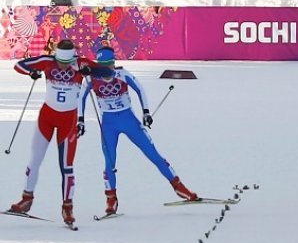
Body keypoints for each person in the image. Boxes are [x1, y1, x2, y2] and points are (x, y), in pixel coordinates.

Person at [78, 47, 197, 215]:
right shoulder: (91, 77)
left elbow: (140, 89)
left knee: (153, 154)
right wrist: (80, 121)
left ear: (113, 63)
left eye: (109, 64)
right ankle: (111, 199)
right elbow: (80, 98)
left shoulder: (122, 74)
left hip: (129, 121)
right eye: (102, 64)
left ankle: (178, 186)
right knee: (109, 162)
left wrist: (146, 112)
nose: (106, 69)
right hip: (108, 124)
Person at [9, 40, 93, 225]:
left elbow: (107, 72)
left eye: (67, 62)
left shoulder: (81, 63)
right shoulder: (48, 60)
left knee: (67, 167)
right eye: (60, 62)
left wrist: (90, 72)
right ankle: (26, 199)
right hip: (46, 117)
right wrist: (31, 72)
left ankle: (67, 207)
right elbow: (19, 65)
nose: (63, 66)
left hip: (68, 121)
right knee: (34, 160)